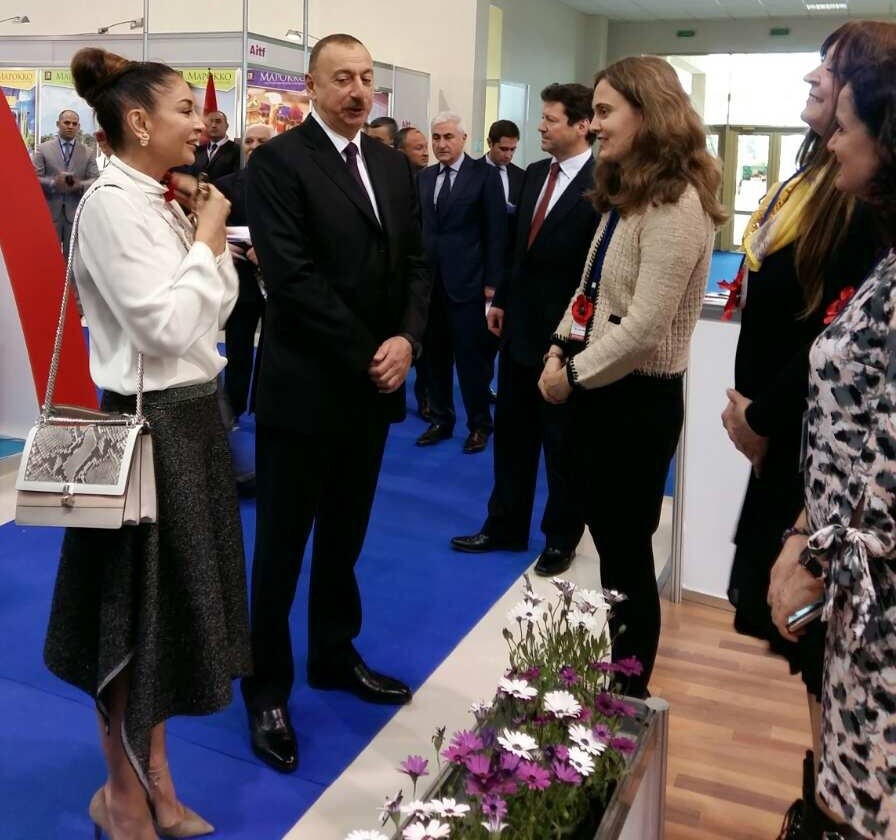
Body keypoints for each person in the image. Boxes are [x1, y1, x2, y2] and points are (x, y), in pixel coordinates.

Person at [43, 48, 251, 839]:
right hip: (146, 427)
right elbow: (165, 327)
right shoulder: (109, 206)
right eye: (183, 109)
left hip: (192, 420)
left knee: (166, 624)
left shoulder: (162, 199)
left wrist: (204, 239)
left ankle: (155, 779)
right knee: (131, 622)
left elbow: (217, 310)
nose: (200, 122)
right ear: (138, 122)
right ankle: (122, 794)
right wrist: (209, 237)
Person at [719, 22, 895, 838]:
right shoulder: (814, 175)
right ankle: (822, 801)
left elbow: (881, 457)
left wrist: (812, 549)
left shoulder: (859, 210)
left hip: (856, 555)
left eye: (835, 73)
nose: (818, 84)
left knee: (836, 689)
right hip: (818, 506)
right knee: (814, 669)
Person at [241, 33, 431, 775]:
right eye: (342, 78)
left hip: (373, 389)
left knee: (345, 537)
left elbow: (416, 262)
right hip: (307, 390)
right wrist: (370, 351)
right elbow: (292, 279)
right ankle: (266, 689)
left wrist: (407, 341)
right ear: (312, 87)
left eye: (366, 78)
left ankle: (332, 654)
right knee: (281, 548)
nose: (357, 91)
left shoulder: (391, 163)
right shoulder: (279, 164)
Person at [538, 56, 725, 698]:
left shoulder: (677, 203)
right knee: (613, 546)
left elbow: (644, 328)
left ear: (648, 114)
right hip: (601, 391)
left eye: (605, 111)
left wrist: (571, 375)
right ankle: (619, 677)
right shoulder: (630, 194)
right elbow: (589, 289)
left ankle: (629, 691)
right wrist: (559, 346)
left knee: (625, 555)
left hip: (635, 402)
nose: (593, 125)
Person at [769, 54, 896, 840]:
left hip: (879, 608)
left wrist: (811, 559)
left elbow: (886, 471)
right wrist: (802, 535)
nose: (834, 141)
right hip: (856, 592)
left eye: (846, 127)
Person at [452, 84, 597, 577]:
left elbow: (595, 272)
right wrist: (501, 302)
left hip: (567, 338)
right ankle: (505, 524)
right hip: (517, 329)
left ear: (582, 125)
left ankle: (561, 536)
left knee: (562, 445)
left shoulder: (604, 183)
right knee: (512, 437)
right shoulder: (535, 173)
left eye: (551, 119)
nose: (540, 126)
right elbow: (519, 250)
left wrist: (573, 337)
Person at [417, 111, 506, 453]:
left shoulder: (485, 176)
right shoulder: (425, 178)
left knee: (472, 363)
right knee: (434, 359)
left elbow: (496, 233)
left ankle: (480, 425)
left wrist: (492, 282)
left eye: (448, 137)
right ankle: (441, 420)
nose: (441, 144)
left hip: (469, 285)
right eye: (436, 137)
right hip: (430, 287)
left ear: (464, 139)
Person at [214, 123, 274, 425]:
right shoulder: (225, 186)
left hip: (278, 282)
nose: (254, 146)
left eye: (262, 141)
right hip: (239, 281)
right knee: (237, 351)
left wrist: (268, 250)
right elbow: (209, 227)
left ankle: (268, 409)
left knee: (274, 353)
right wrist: (222, 242)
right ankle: (233, 410)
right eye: (249, 141)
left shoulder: (289, 185)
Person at [33, 109, 99, 256]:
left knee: (72, 260)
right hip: (50, 213)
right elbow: (33, 179)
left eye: (74, 124)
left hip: (75, 214)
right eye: (67, 122)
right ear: (58, 124)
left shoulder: (88, 152)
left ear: (78, 126)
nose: (70, 126)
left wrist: (79, 185)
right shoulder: (43, 149)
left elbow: (95, 179)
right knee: (48, 257)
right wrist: (53, 183)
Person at [193, 111, 239, 179]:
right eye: (210, 122)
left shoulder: (237, 150)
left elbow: (237, 178)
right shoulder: (197, 150)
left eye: (218, 121)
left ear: (227, 126)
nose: (213, 125)